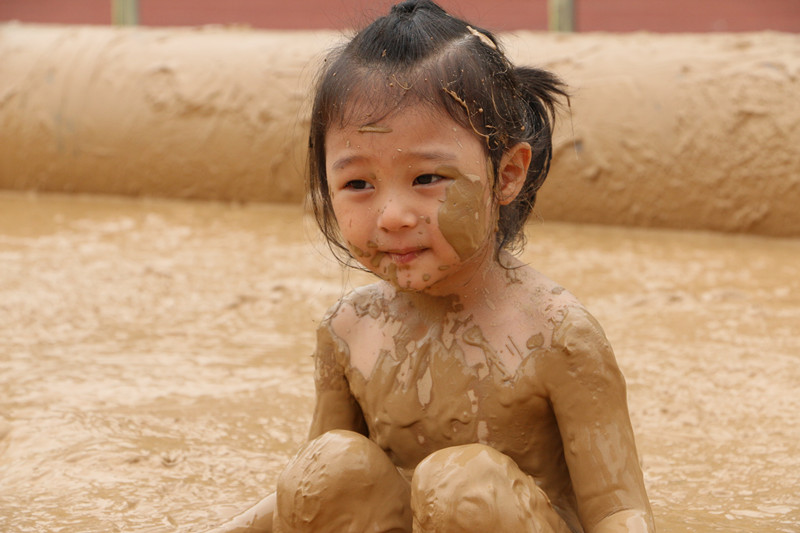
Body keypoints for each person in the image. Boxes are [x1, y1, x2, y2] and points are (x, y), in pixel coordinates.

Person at [208, 1, 654, 531]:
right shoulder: (348, 332)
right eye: (357, 185)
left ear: (507, 175)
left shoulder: (560, 336)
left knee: (465, 485)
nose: (392, 216)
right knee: (331, 468)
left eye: (426, 179)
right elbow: (304, 500)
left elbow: (618, 510)